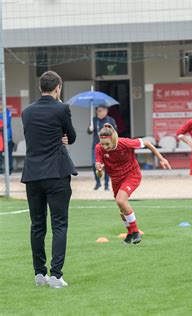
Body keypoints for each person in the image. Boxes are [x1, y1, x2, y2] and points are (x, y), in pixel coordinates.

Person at [21, 71, 77, 288]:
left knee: (37, 225)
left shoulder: (27, 112)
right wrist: (61, 133)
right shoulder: (62, 108)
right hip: (56, 174)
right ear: (58, 88)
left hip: (33, 175)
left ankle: (39, 273)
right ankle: (56, 275)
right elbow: (70, 137)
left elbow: (34, 137)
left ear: (39, 88)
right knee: (59, 224)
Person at [95, 123, 171, 244]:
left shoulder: (125, 143)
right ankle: (130, 233)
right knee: (121, 207)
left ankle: (135, 231)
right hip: (116, 179)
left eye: (107, 144)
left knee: (121, 200)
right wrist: (99, 171)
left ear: (113, 139)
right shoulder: (99, 148)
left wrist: (161, 158)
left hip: (132, 175)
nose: (104, 147)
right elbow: (100, 175)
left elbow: (147, 143)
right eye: (102, 144)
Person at [87, 105, 117, 191]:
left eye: (101, 111)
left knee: (107, 165)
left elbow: (115, 133)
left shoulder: (110, 120)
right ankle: (98, 183)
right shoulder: (94, 120)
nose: (99, 112)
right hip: (96, 146)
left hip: (107, 146)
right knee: (94, 164)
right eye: (98, 111)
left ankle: (106, 185)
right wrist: (90, 129)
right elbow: (88, 132)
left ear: (106, 111)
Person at [0, 107, 13, 175]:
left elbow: (6, 123)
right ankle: (1, 170)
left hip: (7, 138)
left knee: (8, 155)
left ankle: (9, 170)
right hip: (0, 139)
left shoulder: (7, 111)